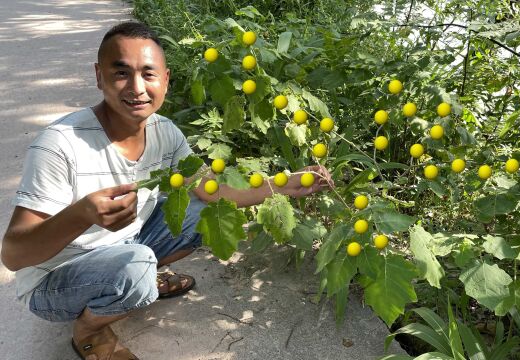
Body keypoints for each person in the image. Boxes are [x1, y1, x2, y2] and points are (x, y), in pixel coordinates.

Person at [1, 21, 333, 360]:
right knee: (137, 265)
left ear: (166, 80)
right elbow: (13, 255)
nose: (136, 87)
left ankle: (132, 280)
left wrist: (285, 183)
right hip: (54, 281)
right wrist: (81, 214)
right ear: (99, 76)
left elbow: (211, 190)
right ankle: (90, 329)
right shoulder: (60, 145)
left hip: (125, 249)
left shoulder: (165, 132)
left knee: (207, 216)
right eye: (120, 73)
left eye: (148, 74)